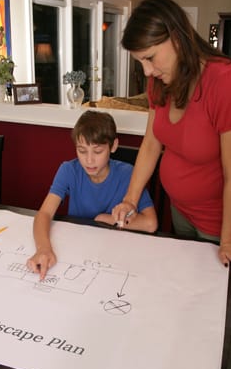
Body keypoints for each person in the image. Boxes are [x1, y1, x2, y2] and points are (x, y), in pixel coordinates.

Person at [111, 0, 231, 369]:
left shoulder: (229, 84)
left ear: (176, 37)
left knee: (225, 306)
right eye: (139, 61)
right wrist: (129, 198)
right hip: (183, 210)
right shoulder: (161, 80)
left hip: (220, 215)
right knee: (188, 294)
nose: (147, 70)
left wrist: (228, 241)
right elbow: (150, 145)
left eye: (149, 57)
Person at [27, 110, 158, 280]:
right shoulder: (68, 170)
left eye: (97, 152)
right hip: (77, 251)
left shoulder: (129, 175)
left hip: (115, 256)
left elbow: (151, 223)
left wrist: (107, 219)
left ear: (113, 146)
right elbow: (44, 214)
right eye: (82, 151)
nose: (89, 160)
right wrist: (43, 248)